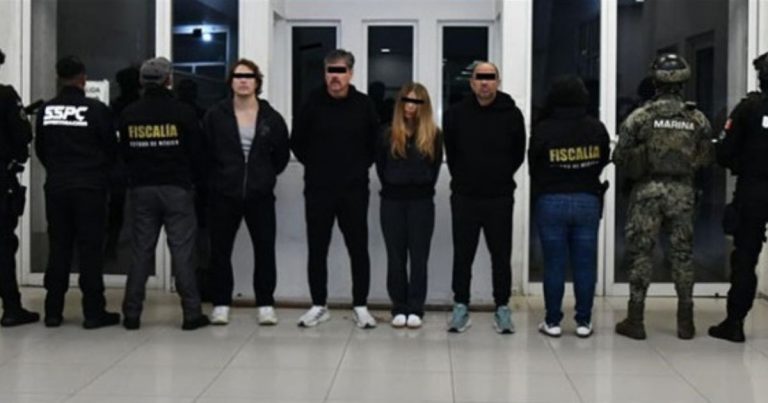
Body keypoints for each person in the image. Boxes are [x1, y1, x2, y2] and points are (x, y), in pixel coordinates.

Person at [613, 54, 713, 340]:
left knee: (641, 254)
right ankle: (686, 322)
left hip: (647, 192)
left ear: (655, 81)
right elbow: (706, 158)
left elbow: (620, 157)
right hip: (682, 193)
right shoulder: (697, 118)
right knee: (682, 255)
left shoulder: (641, 117)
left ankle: (635, 320)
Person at [290, 49, 379, 328]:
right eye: (331, 71)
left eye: (340, 71)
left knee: (358, 248)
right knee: (317, 248)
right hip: (318, 189)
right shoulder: (311, 103)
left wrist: (355, 168)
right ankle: (319, 305)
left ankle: (360, 306)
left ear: (350, 73)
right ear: (325, 74)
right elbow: (298, 142)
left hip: (354, 190)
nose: (335, 77)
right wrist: (319, 166)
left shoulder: (364, 104)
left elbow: (374, 144)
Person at [119, 57, 209, 330]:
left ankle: (132, 314)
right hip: (177, 188)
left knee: (141, 252)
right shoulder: (183, 112)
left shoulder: (129, 113)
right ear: (169, 80)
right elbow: (198, 152)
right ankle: (191, 314)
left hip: (142, 189)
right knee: (182, 252)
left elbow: (124, 153)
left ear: (141, 81)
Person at [34, 56, 119, 328]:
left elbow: (41, 148)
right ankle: (93, 312)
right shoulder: (96, 109)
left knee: (59, 247)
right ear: (83, 78)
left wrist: (58, 170)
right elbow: (111, 148)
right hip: (90, 188)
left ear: (58, 77)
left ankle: (53, 311)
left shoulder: (47, 110)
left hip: (57, 186)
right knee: (90, 249)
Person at [203, 59, 289, 325]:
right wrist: (218, 178)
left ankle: (265, 304)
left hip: (260, 195)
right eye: (238, 76)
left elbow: (281, 156)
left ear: (257, 82)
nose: (243, 81)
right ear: (231, 82)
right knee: (220, 251)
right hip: (223, 194)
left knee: (264, 250)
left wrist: (264, 177)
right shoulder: (215, 115)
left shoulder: (272, 117)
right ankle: (221, 303)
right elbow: (204, 151)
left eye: (248, 76)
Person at [443, 62, 526, 334]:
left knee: (500, 255)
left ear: (498, 82)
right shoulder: (456, 114)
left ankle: (502, 307)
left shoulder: (512, 114)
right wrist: (465, 178)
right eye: (480, 78)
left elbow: (518, 153)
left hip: (499, 197)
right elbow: (452, 152)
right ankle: (460, 306)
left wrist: (499, 175)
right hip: (465, 196)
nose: (485, 83)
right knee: (462, 255)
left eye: (490, 78)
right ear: (472, 83)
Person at [528, 75, 610, 338]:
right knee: (585, 264)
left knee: (554, 264)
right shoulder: (595, 127)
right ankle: (584, 322)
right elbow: (603, 160)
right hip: (587, 199)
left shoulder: (544, 128)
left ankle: (552, 322)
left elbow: (533, 165)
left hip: (551, 200)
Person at [709, 52, 768, 343]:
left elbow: (724, 151)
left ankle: (734, 323)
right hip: (754, 188)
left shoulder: (749, 108)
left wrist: (741, 163)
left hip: (753, 190)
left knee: (745, 258)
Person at [375, 82, 442, 329]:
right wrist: (394, 185)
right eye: (406, 100)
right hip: (392, 202)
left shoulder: (434, 135)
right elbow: (381, 167)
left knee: (419, 257)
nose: (410, 106)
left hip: (421, 203)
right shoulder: (387, 134)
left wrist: (420, 187)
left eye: (416, 101)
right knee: (395, 257)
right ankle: (399, 307)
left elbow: (434, 169)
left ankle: (416, 307)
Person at [0, 47, 39, 327]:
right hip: (1, 179)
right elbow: (23, 134)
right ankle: (11, 308)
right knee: (3, 245)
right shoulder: (5, 96)